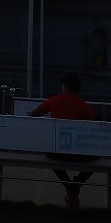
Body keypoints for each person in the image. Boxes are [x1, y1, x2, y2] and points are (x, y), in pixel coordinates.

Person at [29, 73, 94, 208]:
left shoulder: (54, 100)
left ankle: (69, 186)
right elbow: (91, 128)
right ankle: (75, 185)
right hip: (79, 153)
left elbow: (33, 115)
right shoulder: (84, 105)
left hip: (58, 152)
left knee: (51, 156)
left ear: (65, 86)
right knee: (97, 160)